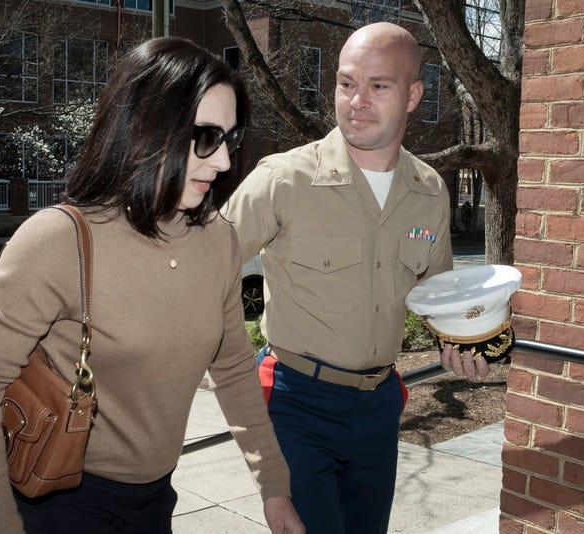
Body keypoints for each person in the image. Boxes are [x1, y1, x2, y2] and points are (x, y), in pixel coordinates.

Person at [0, 36, 304, 534]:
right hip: (62, 500)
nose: (222, 163)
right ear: (148, 128)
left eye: (230, 140)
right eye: (206, 138)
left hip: (155, 500)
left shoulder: (218, 240)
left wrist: (274, 487)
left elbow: (235, 367)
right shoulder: (59, 239)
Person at [224, 22, 488, 534]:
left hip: (380, 405)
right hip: (297, 404)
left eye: (378, 86)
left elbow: (438, 293)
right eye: (347, 84)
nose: (357, 101)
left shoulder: (429, 189)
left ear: (413, 96)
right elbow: (198, 269)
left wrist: (464, 336)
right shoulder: (283, 179)